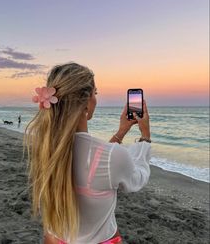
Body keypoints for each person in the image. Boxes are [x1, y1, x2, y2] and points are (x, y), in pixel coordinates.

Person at [23, 62, 151, 244]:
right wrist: (145, 137)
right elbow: (137, 179)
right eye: (95, 93)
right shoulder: (112, 157)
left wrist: (121, 132)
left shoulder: (44, 148)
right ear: (86, 102)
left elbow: (95, 160)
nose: (96, 99)